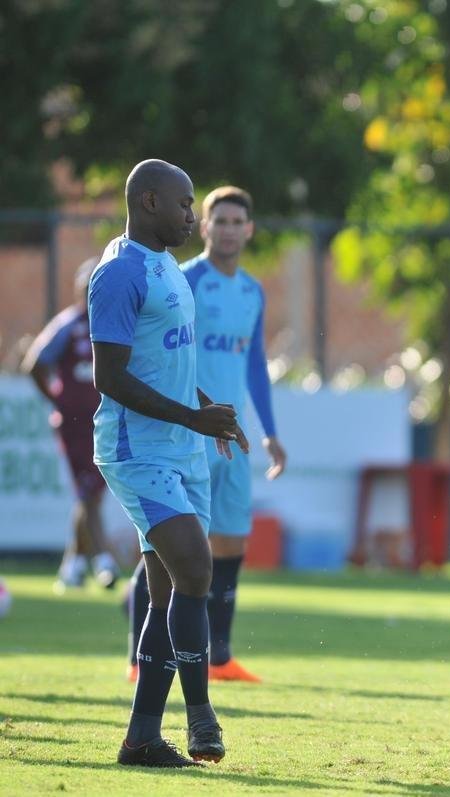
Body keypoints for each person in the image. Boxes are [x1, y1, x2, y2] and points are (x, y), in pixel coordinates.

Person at [91, 159, 249, 767]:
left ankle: (142, 740)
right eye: (186, 205)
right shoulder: (120, 274)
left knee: (168, 594)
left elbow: (169, 363)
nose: (193, 215)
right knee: (196, 567)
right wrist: (189, 419)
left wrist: (206, 409)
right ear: (150, 202)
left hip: (183, 447)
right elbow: (110, 377)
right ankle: (202, 716)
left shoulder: (168, 269)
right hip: (137, 449)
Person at [125, 185, 285, 685]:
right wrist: (191, 410)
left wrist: (271, 433)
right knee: (167, 549)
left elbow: (254, 364)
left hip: (232, 437)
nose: (230, 230)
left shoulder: (253, 291)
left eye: (240, 222)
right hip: (188, 433)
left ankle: (220, 656)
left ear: (250, 230)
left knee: (232, 543)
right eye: (221, 221)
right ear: (206, 226)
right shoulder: (184, 280)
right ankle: (138, 656)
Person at [22, 257, 120, 591]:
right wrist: (57, 400)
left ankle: (74, 564)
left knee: (91, 493)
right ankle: (104, 560)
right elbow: (34, 363)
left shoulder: (115, 326)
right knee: (88, 490)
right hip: (75, 424)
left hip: (106, 421)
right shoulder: (68, 324)